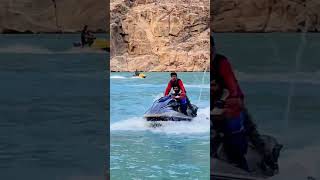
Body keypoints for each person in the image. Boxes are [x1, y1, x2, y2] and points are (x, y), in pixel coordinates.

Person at [210, 33, 275, 171]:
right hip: (209, 106)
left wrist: (224, 102)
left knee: (241, 130)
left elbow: (232, 87)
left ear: (213, 49)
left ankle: (253, 161)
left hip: (230, 104)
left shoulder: (221, 63)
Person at [211, 77, 249, 171]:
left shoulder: (230, 99)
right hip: (218, 133)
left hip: (233, 136)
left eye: (213, 85)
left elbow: (225, 114)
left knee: (236, 155)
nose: (211, 88)